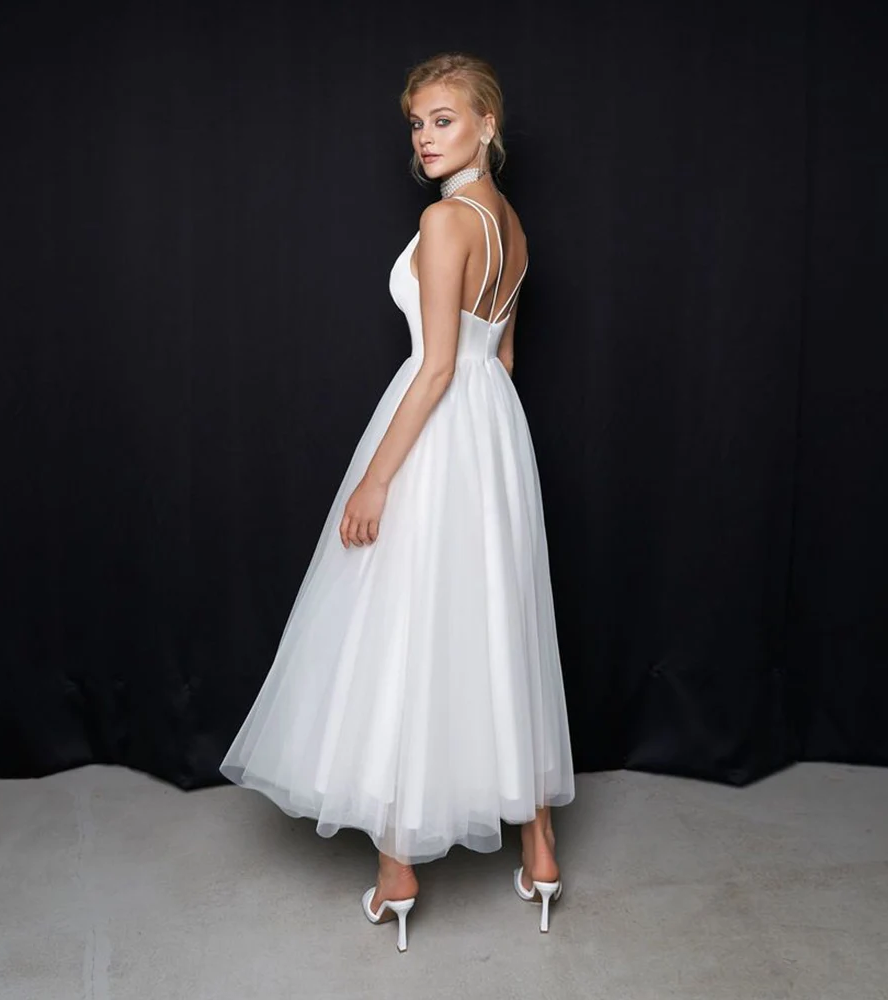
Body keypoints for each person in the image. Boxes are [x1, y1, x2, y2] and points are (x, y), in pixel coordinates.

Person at [220, 52, 575, 952]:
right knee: (497, 628)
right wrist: (491, 459)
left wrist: (378, 477)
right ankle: (539, 852)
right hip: (493, 434)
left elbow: (441, 365)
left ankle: (396, 870)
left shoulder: (446, 219)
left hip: (437, 421)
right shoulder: (512, 225)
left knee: (403, 625)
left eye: (443, 119)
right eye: (416, 123)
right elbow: (501, 361)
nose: (424, 138)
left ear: (487, 125)